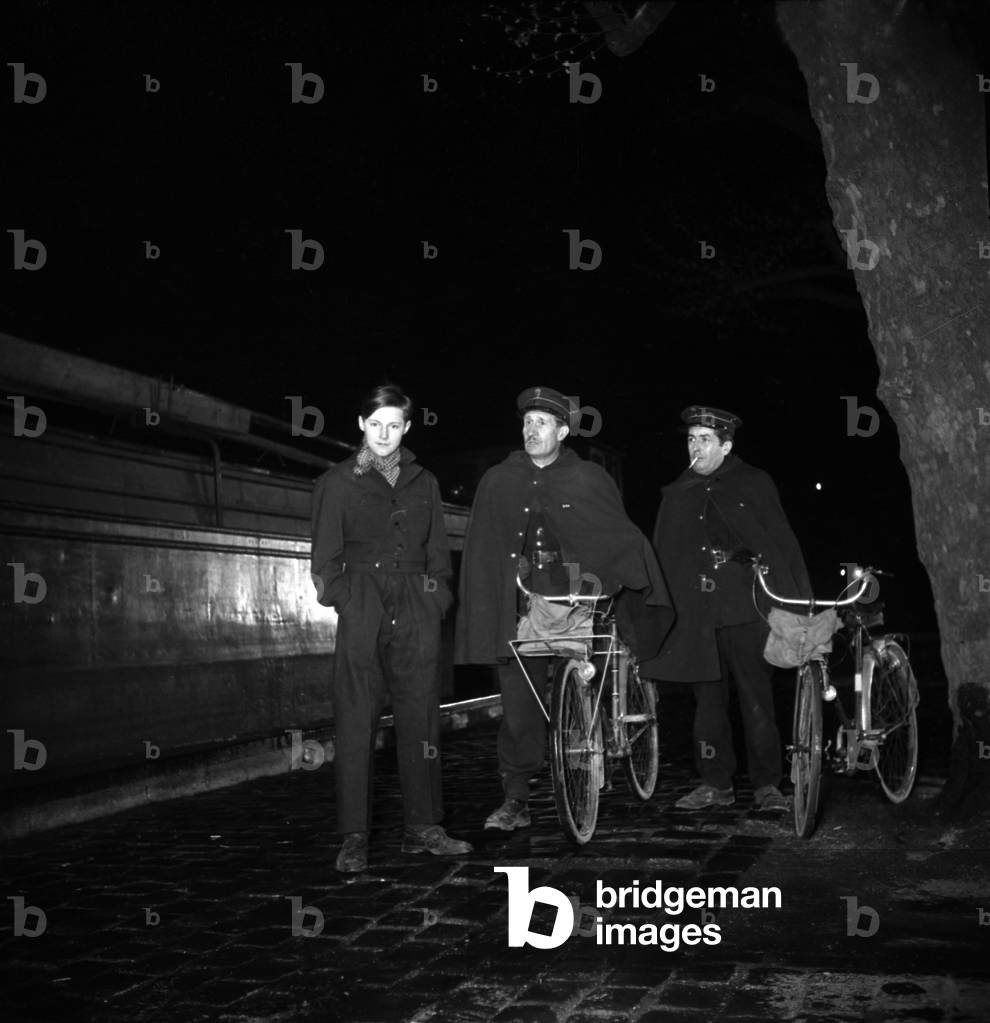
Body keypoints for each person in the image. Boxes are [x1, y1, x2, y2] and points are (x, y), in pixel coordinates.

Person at [455, 386, 673, 831]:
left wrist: (620, 575)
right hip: (523, 601)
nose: (530, 430)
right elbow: (484, 546)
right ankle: (515, 798)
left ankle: (584, 758)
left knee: (581, 687)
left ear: (563, 430)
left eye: (541, 423)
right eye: (526, 422)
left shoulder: (588, 478)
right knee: (518, 708)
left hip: (580, 600)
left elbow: (616, 533)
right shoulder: (500, 480)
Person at [310, 384, 472, 872]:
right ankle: (354, 835)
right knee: (356, 718)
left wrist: (435, 599)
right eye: (375, 424)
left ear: (407, 427)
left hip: (415, 603)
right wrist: (349, 601)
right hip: (362, 603)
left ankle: (422, 827)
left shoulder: (424, 482)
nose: (384, 434)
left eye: (394, 425)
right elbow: (324, 562)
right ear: (362, 425)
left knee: (421, 717)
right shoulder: (336, 482)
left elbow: (440, 554)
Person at [641, 406, 812, 812]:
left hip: (746, 608)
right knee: (707, 705)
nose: (695, 447)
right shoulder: (677, 491)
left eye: (705, 439)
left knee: (757, 700)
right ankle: (714, 784)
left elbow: (781, 543)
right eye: (690, 439)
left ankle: (767, 785)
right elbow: (665, 554)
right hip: (698, 614)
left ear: (726, 445)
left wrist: (796, 603)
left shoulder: (753, 483)